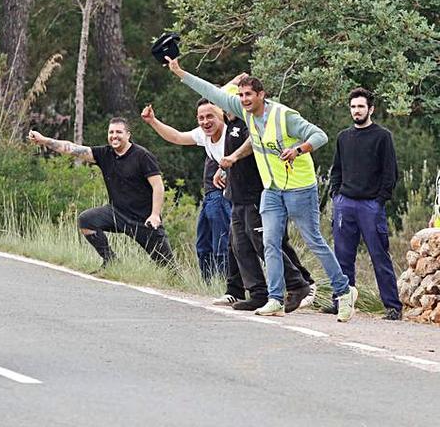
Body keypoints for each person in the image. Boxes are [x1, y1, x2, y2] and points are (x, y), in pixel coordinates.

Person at [165, 56, 357, 322]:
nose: (243, 99)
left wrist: (298, 149)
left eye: (248, 95)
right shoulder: (245, 112)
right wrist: (180, 73)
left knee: (314, 241)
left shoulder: (284, 116)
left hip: (300, 188)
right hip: (272, 190)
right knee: (269, 243)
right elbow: (210, 92)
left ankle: (344, 291)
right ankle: (275, 299)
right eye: (240, 95)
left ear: (261, 95)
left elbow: (320, 136)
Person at [28, 118, 174, 270]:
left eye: (119, 132)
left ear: (128, 135)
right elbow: (71, 148)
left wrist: (155, 215)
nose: (114, 136)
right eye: (111, 132)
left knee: (169, 269)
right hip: (116, 213)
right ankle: (111, 261)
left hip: (143, 220)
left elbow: (158, 186)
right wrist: (44, 140)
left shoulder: (142, 156)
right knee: (86, 220)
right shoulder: (105, 153)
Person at [213, 111, 316, 312]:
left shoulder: (250, 122)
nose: (225, 107)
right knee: (239, 246)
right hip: (237, 196)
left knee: (263, 244)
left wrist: (233, 157)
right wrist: (224, 169)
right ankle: (258, 293)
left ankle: (297, 284)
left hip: (255, 194)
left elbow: (253, 142)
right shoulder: (230, 124)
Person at [329, 87, 402, 320]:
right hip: (345, 204)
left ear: (370, 109)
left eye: (361, 106)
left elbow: (390, 173)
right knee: (342, 257)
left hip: (371, 205)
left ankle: (392, 307)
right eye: (353, 107)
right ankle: (341, 302)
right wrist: (335, 194)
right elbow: (336, 169)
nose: (356, 111)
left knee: (379, 255)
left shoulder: (383, 136)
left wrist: (380, 199)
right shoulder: (343, 137)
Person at [140, 98, 231, 282]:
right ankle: (208, 285)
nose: (205, 122)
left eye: (210, 116)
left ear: (221, 114)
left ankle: (226, 285)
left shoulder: (231, 134)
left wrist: (226, 172)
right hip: (211, 195)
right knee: (203, 245)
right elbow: (177, 137)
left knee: (222, 244)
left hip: (224, 196)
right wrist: (153, 121)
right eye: (201, 118)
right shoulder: (204, 135)